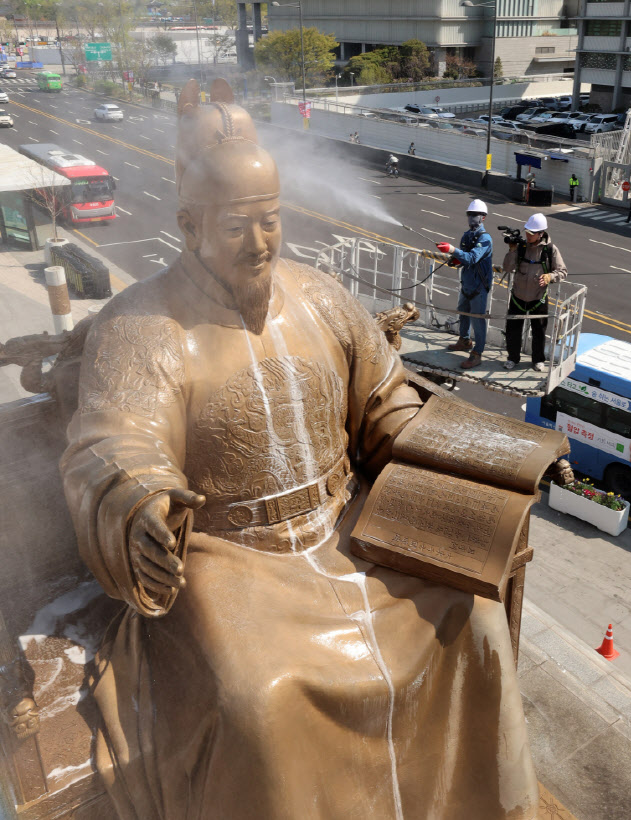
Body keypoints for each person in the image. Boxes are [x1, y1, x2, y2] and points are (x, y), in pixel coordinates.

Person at [60, 79, 539, 820]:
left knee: (469, 615)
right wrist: (140, 508)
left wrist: (485, 459)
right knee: (258, 700)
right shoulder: (140, 326)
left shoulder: (320, 296)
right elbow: (117, 445)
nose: (259, 245)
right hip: (231, 559)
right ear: (189, 227)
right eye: (235, 228)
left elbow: (387, 403)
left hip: (349, 529)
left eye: (270, 222)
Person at [502, 212, 568, 372]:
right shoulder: (521, 247)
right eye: (527, 232)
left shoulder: (550, 250)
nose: (528, 235)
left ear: (541, 233)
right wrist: (512, 250)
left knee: (539, 331)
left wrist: (550, 276)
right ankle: (512, 358)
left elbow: (563, 272)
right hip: (518, 297)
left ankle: (538, 360)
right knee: (513, 330)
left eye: (531, 233)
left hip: (538, 298)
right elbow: (507, 268)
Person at [436, 199, 493, 370]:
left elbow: (473, 257)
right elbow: (464, 259)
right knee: (463, 314)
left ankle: (477, 354)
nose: (471, 218)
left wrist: (453, 250)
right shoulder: (467, 236)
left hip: (479, 288)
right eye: (470, 214)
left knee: (478, 320)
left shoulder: (485, 239)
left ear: (483, 217)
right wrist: (455, 260)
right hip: (467, 284)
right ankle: (464, 340)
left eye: (475, 215)